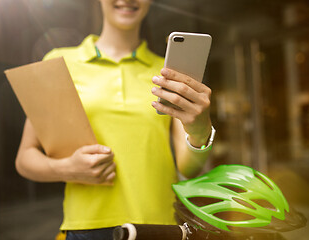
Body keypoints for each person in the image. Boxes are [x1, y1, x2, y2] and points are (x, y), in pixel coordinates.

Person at [15, 0, 215, 239]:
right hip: (86, 229)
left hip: (158, 228)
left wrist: (201, 131)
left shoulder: (167, 74)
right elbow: (25, 157)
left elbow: (188, 168)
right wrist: (66, 168)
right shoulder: (59, 62)